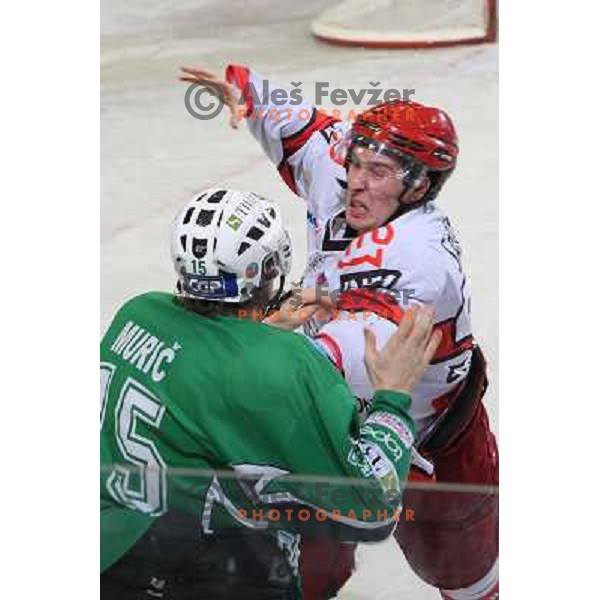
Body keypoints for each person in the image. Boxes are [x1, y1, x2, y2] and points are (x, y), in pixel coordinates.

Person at [178, 67, 500, 600]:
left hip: (433, 442)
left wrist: (255, 342)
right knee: (295, 571)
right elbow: (306, 129)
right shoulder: (348, 172)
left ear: (419, 185)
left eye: (376, 171)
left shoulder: (417, 256)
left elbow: (350, 362)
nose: (356, 179)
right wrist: (248, 92)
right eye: (356, 162)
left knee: (468, 579)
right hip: (333, 431)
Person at [100, 188, 441, 600]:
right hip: (210, 576)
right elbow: (372, 507)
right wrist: (392, 396)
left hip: (110, 559)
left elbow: (194, 378)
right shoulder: (286, 365)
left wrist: (258, 331)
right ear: (270, 267)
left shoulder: (137, 314)